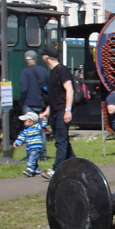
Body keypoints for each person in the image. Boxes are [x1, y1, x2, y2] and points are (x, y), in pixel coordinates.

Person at [39, 45, 74, 178]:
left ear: (46, 57)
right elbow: (54, 95)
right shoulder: (52, 72)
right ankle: (75, 165)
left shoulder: (61, 70)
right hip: (54, 111)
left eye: (42, 54)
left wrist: (68, 110)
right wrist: (47, 111)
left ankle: (56, 170)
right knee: (63, 140)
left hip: (62, 110)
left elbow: (69, 90)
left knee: (61, 141)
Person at [13, 110, 47, 177]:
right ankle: (37, 170)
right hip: (29, 147)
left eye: (25, 120)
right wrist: (17, 142)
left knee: (32, 158)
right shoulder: (26, 130)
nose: (23, 122)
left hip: (36, 146)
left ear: (31, 121)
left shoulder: (37, 127)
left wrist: (44, 119)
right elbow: (21, 137)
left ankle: (29, 169)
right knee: (31, 158)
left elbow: (43, 125)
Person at [16, 50, 49, 117]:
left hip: (28, 103)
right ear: (35, 59)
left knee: (30, 126)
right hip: (41, 103)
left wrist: (21, 102)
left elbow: (24, 89)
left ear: (25, 59)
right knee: (39, 126)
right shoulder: (43, 70)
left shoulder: (24, 72)